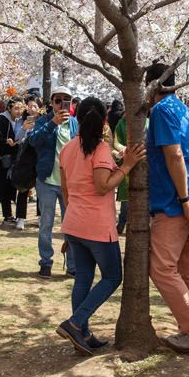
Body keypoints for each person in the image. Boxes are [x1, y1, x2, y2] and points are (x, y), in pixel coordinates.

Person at [55, 97, 146, 355]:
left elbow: (65, 189)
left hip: (73, 222)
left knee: (83, 278)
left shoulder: (68, 148)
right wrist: (127, 165)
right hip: (96, 225)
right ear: (105, 121)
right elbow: (103, 185)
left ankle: (81, 333)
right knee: (112, 277)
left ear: (77, 118)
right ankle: (75, 323)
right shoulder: (100, 149)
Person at [145, 61, 189, 353]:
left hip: (174, 202)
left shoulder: (161, 110)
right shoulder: (183, 109)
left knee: (161, 268)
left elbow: (174, 156)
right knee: (188, 269)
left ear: (151, 85)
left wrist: (183, 198)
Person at [28, 86, 79, 278]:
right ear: (52, 103)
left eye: (67, 100)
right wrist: (52, 124)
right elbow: (33, 141)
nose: (62, 104)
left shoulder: (74, 124)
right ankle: (46, 262)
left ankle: (72, 265)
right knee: (46, 224)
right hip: (47, 180)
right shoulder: (43, 120)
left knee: (71, 225)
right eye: (58, 100)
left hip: (69, 184)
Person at [0, 98, 26, 227]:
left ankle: (7, 215)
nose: (19, 112)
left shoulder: (17, 122)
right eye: (16, 108)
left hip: (8, 160)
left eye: (21, 108)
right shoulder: (2, 119)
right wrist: (5, 141)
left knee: (7, 188)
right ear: (9, 108)